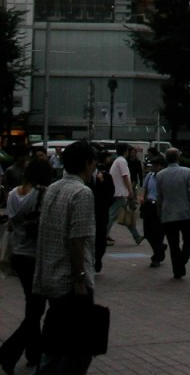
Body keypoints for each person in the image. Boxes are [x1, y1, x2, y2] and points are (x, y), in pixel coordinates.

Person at [32, 140, 98, 375]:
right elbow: (77, 240)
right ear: (87, 164)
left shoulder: (53, 188)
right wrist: (80, 278)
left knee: (57, 345)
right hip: (70, 282)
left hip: (50, 277)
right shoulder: (82, 193)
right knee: (79, 348)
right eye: (93, 163)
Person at [0, 157, 53, 374]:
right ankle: (8, 351)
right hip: (35, 255)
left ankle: (34, 352)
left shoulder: (13, 193)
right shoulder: (42, 194)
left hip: (18, 254)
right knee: (36, 308)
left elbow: (11, 223)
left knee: (33, 304)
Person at [155, 147, 190, 279]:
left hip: (167, 213)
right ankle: (182, 259)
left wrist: (159, 212)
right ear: (178, 157)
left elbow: (159, 196)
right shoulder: (187, 172)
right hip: (184, 211)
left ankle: (177, 269)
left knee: (173, 244)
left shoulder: (160, 175)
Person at [105, 143, 143, 246]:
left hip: (118, 192)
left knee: (127, 213)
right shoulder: (122, 161)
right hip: (120, 193)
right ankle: (102, 236)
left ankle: (137, 236)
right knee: (112, 215)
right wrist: (130, 191)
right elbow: (125, 176)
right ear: (125, 151)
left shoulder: (117, 161)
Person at [141, 155, 167, 267]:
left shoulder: (165, 177)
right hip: (149, 204)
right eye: (153, 165)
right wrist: (143, 198)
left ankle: (157, 256)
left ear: (162, 166)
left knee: (158, 232)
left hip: (160, 206)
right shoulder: (150, 176)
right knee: (147, 232)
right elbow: (145, 188)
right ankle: (160, 248)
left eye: (156, 165)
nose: (154, 167)